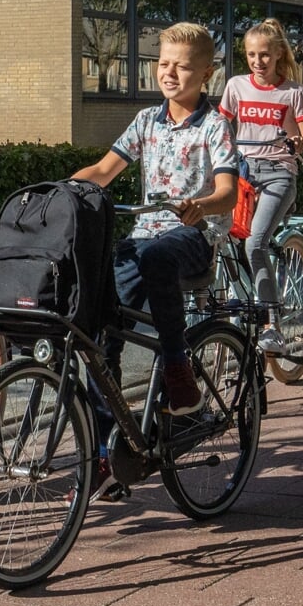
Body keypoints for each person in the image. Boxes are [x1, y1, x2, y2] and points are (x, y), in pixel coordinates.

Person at [72, 21, 240, 420]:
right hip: (144, 236)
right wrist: (59, 189)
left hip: (194, 236)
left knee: (157, 258)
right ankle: (106, 439)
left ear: (206, 74)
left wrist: (201, 205)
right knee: (102, 322)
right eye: (162, 63)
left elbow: (228, 192)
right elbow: (103, 170)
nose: (168, 72)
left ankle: (178, 367)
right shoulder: (146, 120)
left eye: (181, 67)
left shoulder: (215, 126)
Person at [218, 18, 303, 355]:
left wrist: (300, 143)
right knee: (220, 236)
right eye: (251, 55)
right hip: (243, 172)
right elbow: (220, 127)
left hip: (279, 173)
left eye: (264, 55)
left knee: (255, 244)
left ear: (278, 55)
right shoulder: (235, 86)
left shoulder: (292, 92)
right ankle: (230, 304)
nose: (257, 62)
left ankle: (271, 324)